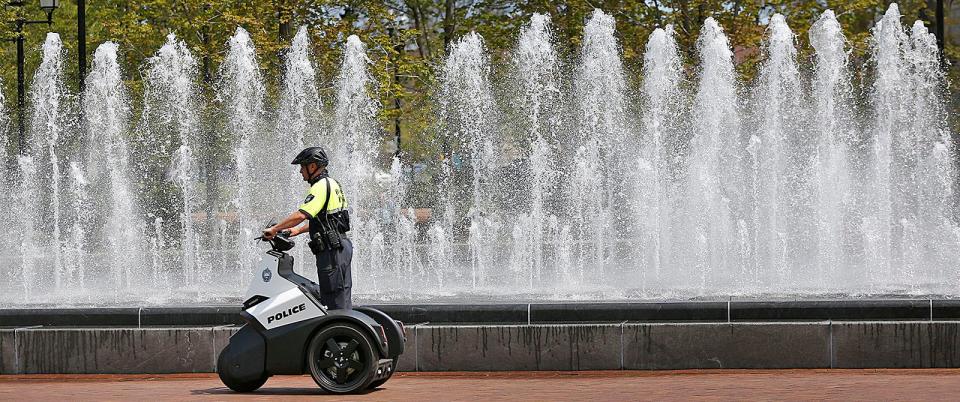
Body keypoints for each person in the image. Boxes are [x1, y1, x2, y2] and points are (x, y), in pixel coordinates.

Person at [262, 146, 353, 310]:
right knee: (340, 299)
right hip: (340, 246)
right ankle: (344, 333)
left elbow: (301, 214)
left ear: (313, 166)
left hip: (332, 251)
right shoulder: (333, 184)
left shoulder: (320, 186)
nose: (300, 172)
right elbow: (325, 219)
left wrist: (274, 229)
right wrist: (296, 231)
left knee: (334, 301)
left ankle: (339, 334)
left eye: (302, 167)